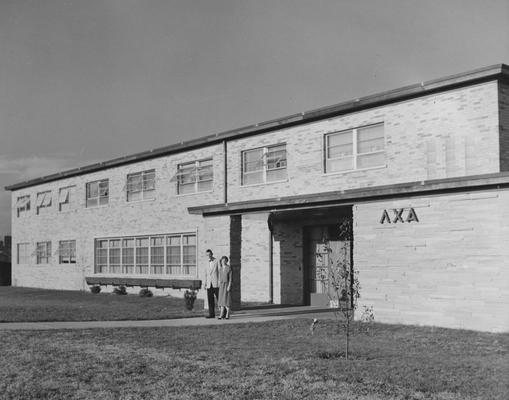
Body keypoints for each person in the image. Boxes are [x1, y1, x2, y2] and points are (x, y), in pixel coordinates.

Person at [204, 249, 220, 318]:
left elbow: (219, 272)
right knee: (210, 300)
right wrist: (205, 283)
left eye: (210, 254)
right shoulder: (206, 262)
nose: (209, 256)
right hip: (209, 284)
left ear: (212, 254)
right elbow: (205, 274)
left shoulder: (216, 261)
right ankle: (211, 314)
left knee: (219, 299)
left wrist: (219, 282)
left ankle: (224, 313)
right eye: (207, 255)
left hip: (216, 283)